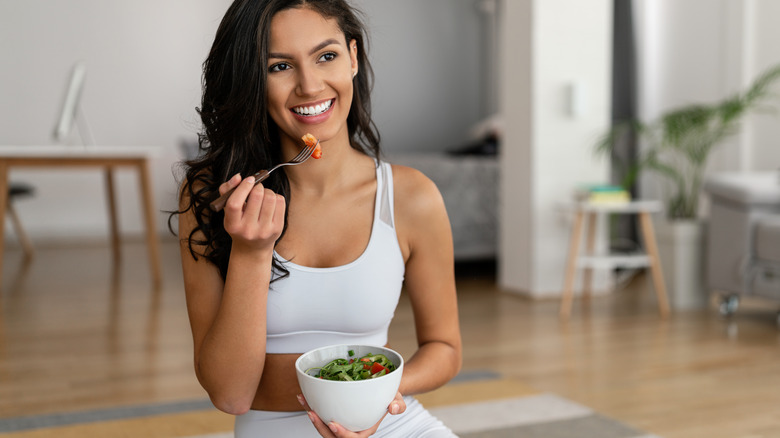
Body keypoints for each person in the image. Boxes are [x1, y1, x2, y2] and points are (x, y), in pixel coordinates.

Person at [171, 0, 462, 436]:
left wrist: (376, 392)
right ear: (253, 80)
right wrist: (251, 252)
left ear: (353, 58)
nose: (309, 85)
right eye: (279, 67)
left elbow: (445, 348)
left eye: (326, 56)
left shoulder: (411, 196)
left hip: (389, 417)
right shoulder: (212, 199)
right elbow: (230, 395)